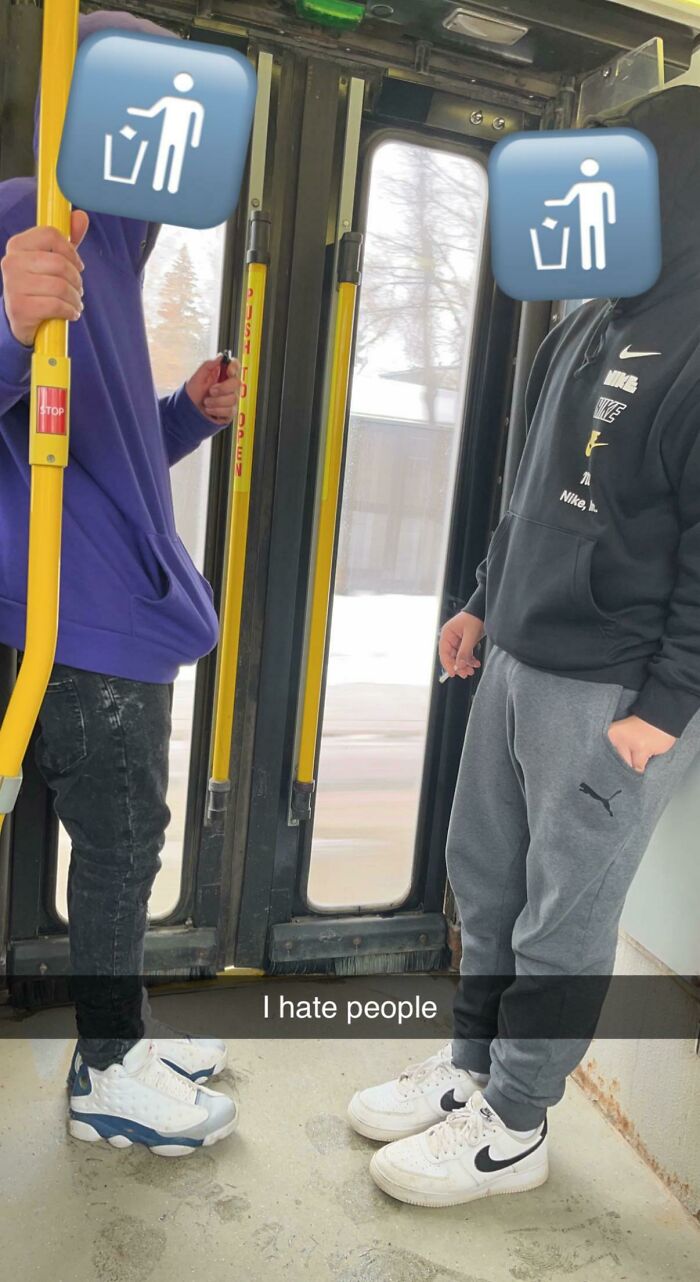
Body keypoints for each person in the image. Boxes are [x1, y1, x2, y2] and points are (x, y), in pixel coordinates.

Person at [348, 84, 700, 1205]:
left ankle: (514, 1122)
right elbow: (529, 490)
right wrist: (481, 602)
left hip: (614, 689)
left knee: (563, 916)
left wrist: (666, 707)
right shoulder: (585, 321)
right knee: (487, 878)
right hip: (516, 656)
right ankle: (470, 1072)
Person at [0, 12, 240, 1155]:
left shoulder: (110, 256)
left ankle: (122, 1034)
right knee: (121, 840)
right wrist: (8, 317)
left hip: (117, 601)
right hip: (81, 614)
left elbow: (99, 442)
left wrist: (185, 416)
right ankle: (107, 1071)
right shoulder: (29, 220)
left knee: (128, 836)